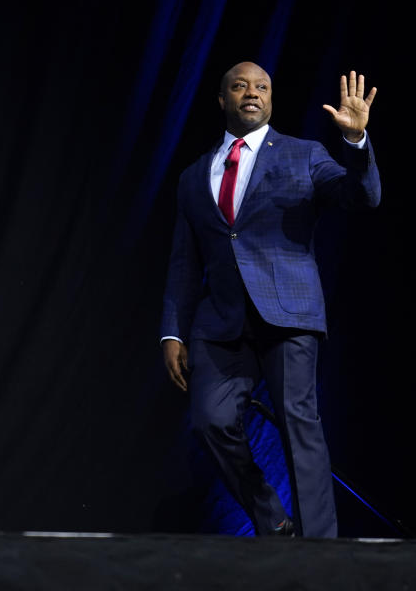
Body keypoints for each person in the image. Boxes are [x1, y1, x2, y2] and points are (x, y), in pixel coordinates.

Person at [160, 61, 380, 538]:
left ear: (272, 100)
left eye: (262, 86)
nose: (251, 92)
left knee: (299, 426)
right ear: (223, 101)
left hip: (288, 315)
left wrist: (357, 144)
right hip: (219, 324)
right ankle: (273, 522)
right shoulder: (195, 175)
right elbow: (183, 261)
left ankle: (319, 547)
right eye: (239, 86)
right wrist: (172, 330)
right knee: (209, 421)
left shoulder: (304, 154)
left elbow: (362, 197)